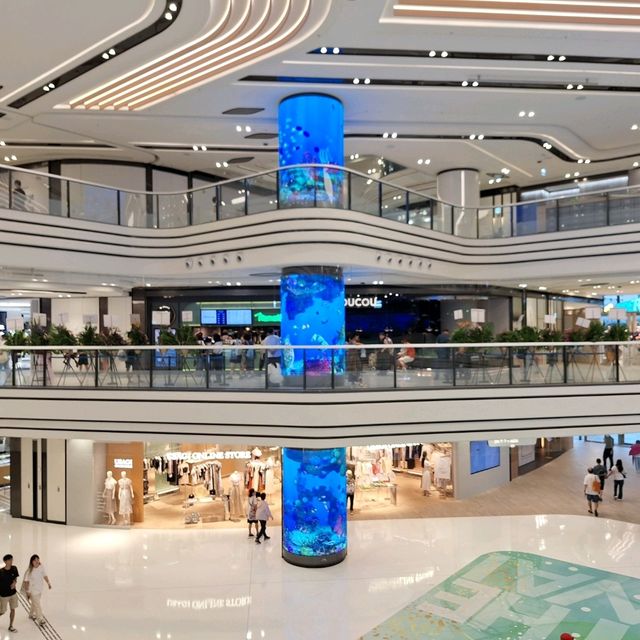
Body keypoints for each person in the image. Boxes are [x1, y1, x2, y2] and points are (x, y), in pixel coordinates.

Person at [22, 554, 51, 626]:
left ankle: (31, 614)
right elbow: (26, 582)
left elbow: (44, 575)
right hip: (32, 591)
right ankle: (40, 619)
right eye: (35, 560)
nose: (37, 561)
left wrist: (48, 583)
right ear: (32, 562)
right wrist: (28, 592)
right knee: (38, 605)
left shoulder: (41, 567)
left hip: (39, 590)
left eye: (38, 559)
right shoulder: (29, 571)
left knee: (34, 604)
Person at [0, 553, 19, 633]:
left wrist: (14, 582)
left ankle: (11, 626)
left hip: (13, 594)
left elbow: (15, 578)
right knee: (2, 611)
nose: (11, 561)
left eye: (12, 559)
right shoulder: (1, 572)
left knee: (13, 609)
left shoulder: (14, 568)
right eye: (9, 560)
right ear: (5, 561)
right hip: (4, 595)